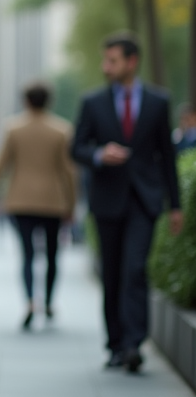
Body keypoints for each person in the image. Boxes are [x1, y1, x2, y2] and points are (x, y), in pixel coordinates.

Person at [72, 32, 184, 373]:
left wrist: (175, 205)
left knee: (134, 269)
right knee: (112, 273)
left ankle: (135, 343)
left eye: (113, 60)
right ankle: (116, 344)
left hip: (144, 200)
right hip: (107, 199)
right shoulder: (92, 102)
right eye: (105, 60)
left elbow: (167, 155)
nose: (106, 67)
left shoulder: (158, 102)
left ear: (132, 62)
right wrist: (99, 154)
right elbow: (76, 148)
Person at [0, 82, 77, 330]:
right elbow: (69, 171)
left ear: (26, 101)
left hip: (21, 200)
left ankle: (30, 302)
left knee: (27, 254)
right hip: (53, 201)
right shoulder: (61, 130)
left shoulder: (14, 128)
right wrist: (72, 203)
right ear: (49, 101)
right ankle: (49, 302)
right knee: (53, 254)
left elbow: (1, 165)